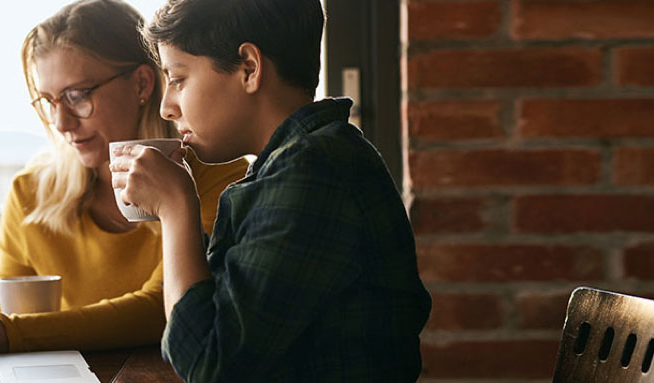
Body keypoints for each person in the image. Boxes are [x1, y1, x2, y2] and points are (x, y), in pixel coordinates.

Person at [0, 0, 248, 356]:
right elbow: (3, 319)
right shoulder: (31, 193)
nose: (62, 123)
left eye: (78, 95)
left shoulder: (217, 180)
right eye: (50, 102)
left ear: (143, 84)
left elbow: (162, 309)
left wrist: (2, 332)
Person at [111, 0, 432, 381]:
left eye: (178, 79)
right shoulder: (293, 164)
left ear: (249, 68)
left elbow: (210, 364)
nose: (167, 107)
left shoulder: (314, 171)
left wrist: (177, 206)